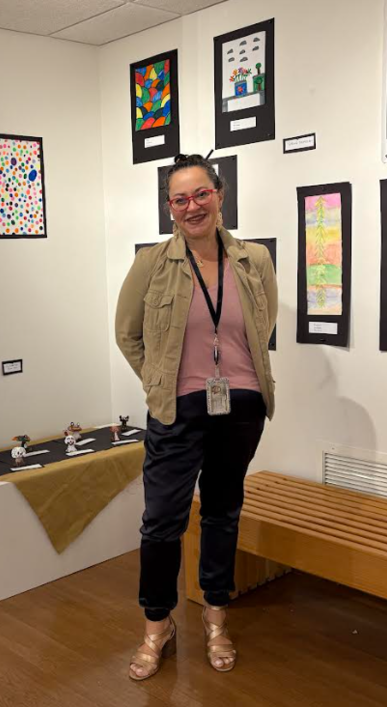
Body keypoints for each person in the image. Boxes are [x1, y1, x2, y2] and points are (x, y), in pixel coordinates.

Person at [115, 153, 277, 680]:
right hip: (176, 408)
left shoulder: (254, 261)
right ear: (169, 209)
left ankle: (215, 616)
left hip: (241, 404)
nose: (192, 206)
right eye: (180, 199)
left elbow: (263, 323)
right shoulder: (151, 264)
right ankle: (156, 626)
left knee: (222, 512)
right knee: (161, 519)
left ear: (220, 196)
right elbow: (127, 333)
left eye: (201, 194)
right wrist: (160, 380)